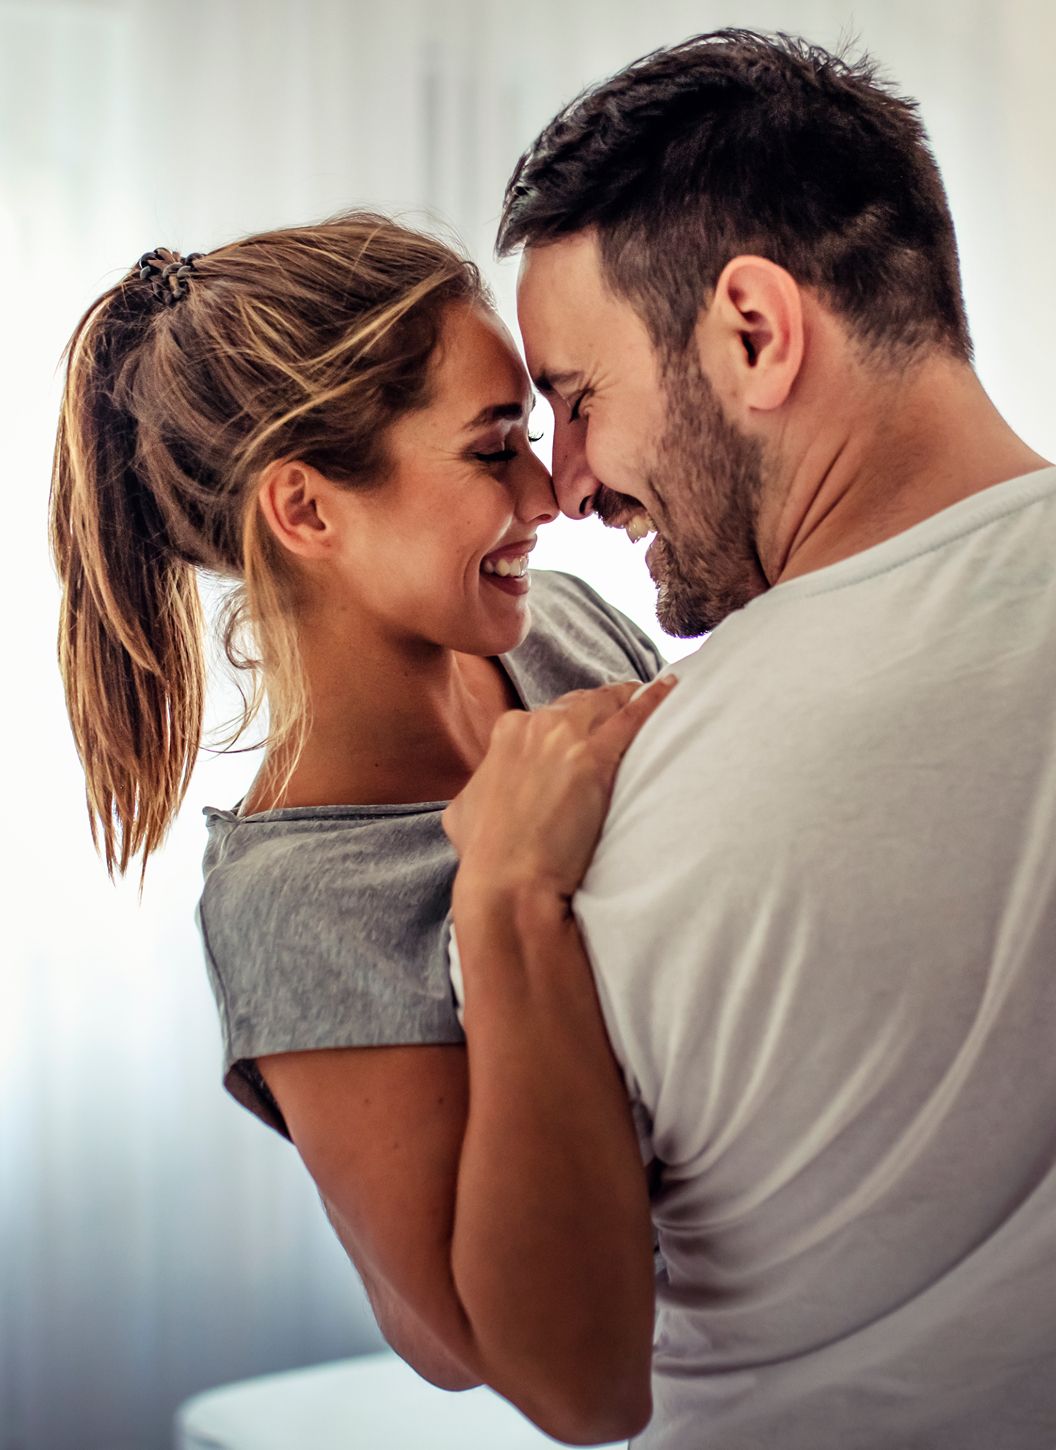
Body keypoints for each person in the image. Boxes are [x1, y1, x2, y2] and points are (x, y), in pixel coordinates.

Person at [448, 27, 1056, 1449]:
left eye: (579, 398)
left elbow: (565, 1376)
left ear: (754, 329)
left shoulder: (622, 795)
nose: (565, 483)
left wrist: (499, 895)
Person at [49, 212, 676, 1445]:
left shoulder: (558, 632)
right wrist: (502, 892)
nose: (550, 491)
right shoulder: (300, 899)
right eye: (495, 448)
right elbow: (541, 1376)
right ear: (308, 510)